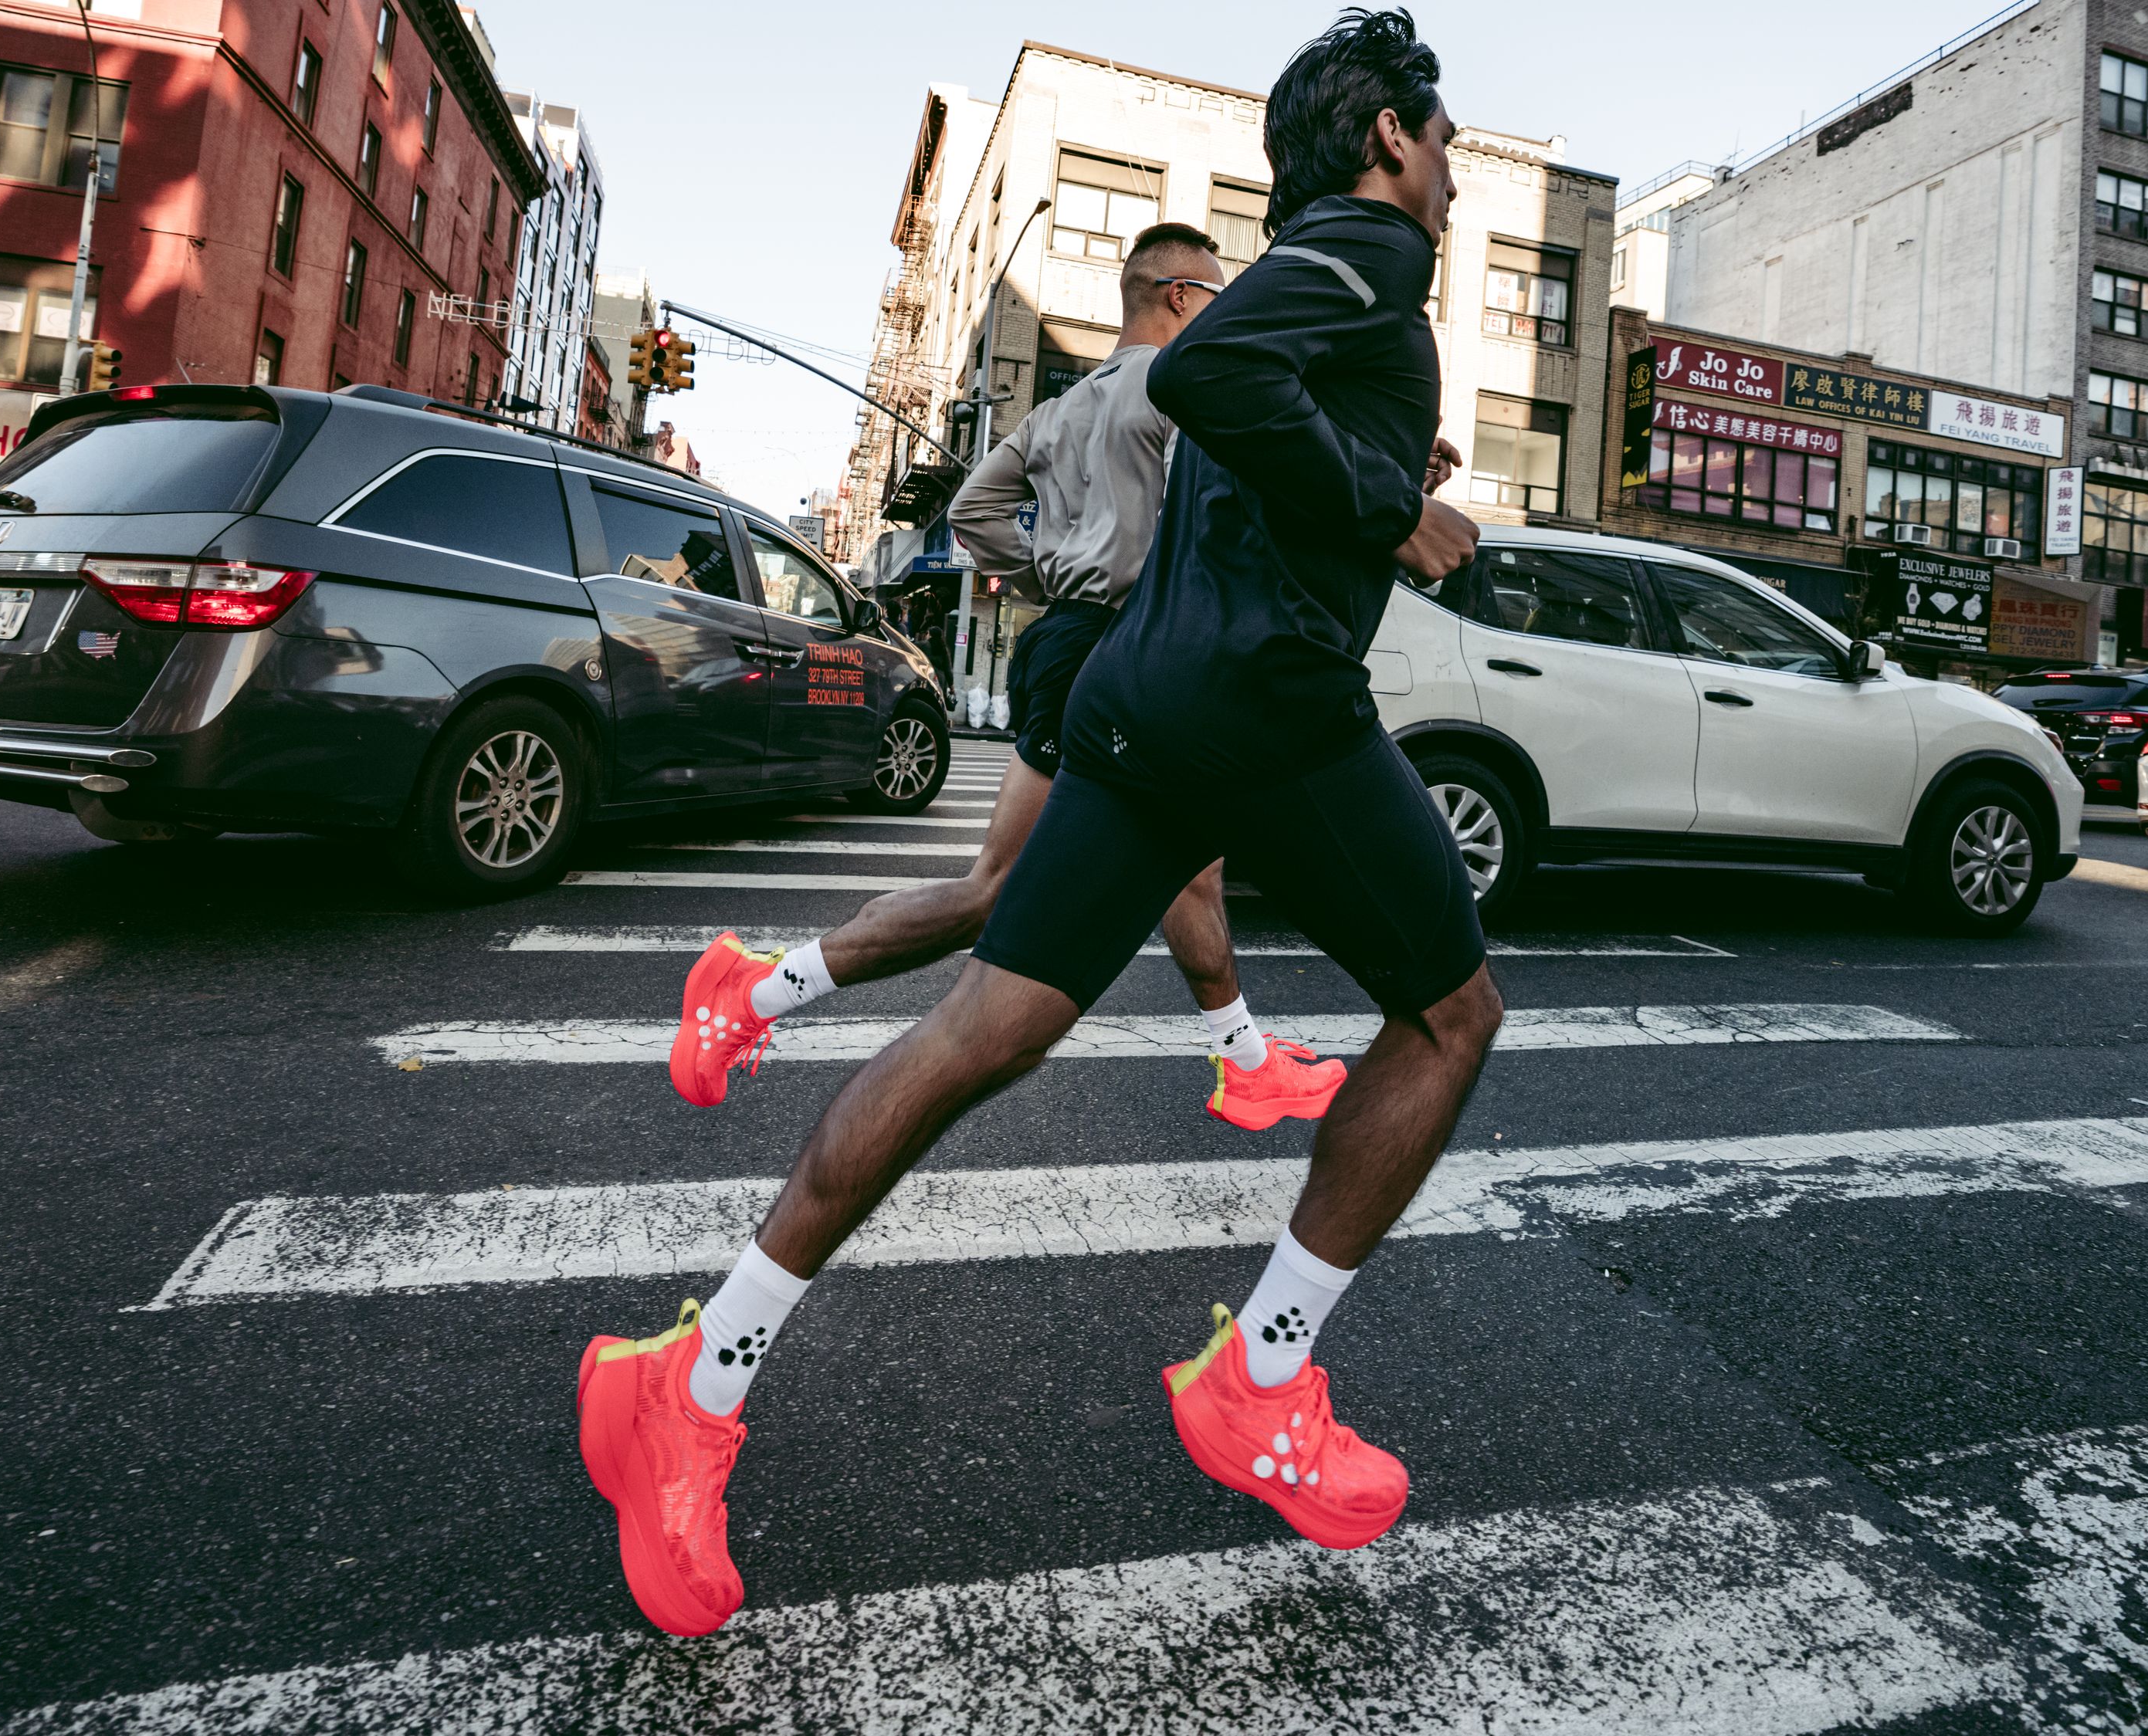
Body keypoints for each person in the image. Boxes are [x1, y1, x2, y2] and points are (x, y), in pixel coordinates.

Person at [578, 8, 1496, 1639]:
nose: (1452, 168)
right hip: (1264, 710)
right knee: (1449, 1016)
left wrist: (1369, 462)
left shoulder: (1303, 276)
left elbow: (1230, 415)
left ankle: (690, 1379)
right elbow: (1208, 375)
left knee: (977, 1031)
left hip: (1144, 708)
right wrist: (1390, 505)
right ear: (1384, 140)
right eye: (1441, 139)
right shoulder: (1369, 253)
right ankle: (1260, 1374)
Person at [669, 223, 1346, 1132]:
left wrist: (1040, 579)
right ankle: (756, 994)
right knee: (1038, 888)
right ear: (1181, 295)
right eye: (1218, 298)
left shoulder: (1060, 411)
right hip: (1128, 646)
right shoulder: (1180, 388)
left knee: (1162, 869)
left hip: (1066, 638)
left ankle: (1247, 1060)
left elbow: (975, 508)